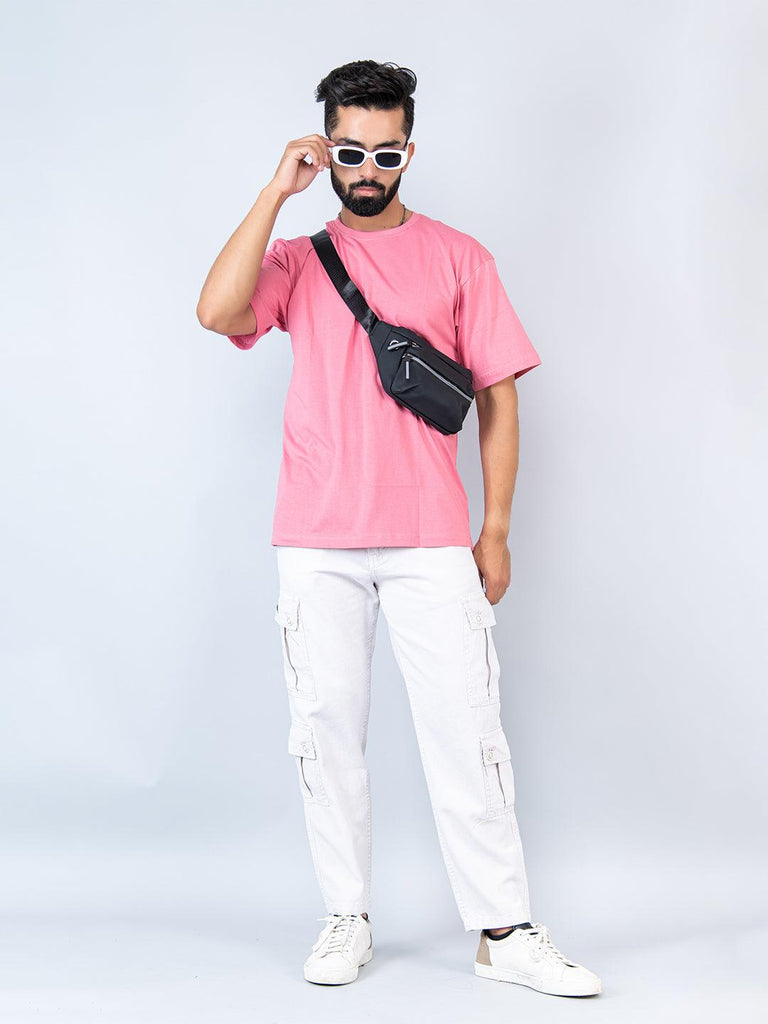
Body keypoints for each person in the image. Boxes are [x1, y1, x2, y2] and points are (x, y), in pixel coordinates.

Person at [197, 59, 601, 998]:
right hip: (317, 535)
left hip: (430, 535)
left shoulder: (461, 257)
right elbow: (217, 310)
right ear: (326, 150)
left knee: (468, 731)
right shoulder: (297, 259)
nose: (368, 168)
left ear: (409, 152)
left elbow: (499, 395)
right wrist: (276, 191)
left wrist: (495, 529)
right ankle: (347, 915)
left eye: (385, 152)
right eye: (350, 152)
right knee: (326, 733)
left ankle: (504, 930)